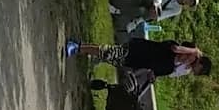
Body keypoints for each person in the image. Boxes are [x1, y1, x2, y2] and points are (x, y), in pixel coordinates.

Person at [65, 36, 210, 78]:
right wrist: (193, 50)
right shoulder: (171, 48)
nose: (189, 61)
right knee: (108, 52)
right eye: (191, 58)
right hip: (137, 50)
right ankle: (77, 48)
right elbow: (176, 48)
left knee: (109, 55)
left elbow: (156, 72)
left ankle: (81, 46)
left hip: (135, 61)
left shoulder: (174, 68)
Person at [118, 0, 200, 31]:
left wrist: (156, 15)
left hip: (154, 10)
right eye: (190, 0)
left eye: (190, 4)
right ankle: (136, 22)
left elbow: (164, 14)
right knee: (148, 9)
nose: (188, 3)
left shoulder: (177, 9)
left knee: (143, 11)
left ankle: (118, 11)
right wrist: (156, 4)